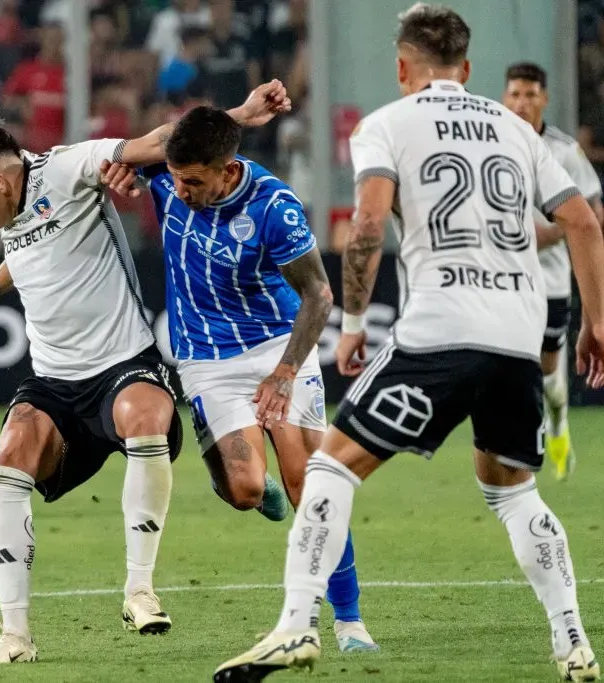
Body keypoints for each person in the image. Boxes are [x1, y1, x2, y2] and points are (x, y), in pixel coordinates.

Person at [212, 4, 604, 681]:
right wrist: (596, 324)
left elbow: (366, 223)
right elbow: (583, 222)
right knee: (513, 490)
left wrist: (356, 324)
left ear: (402, 68)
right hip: (516, 335)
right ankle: (573, 641)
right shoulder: (518, 128)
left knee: (331, 468)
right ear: (469, 69)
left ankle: (294, 626)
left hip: (440, 333)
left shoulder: (385, 125)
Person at [0, 81, 291, 666]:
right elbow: (24, 255)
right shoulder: (9, 208)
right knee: (9, 457)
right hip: (53, 381)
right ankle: (15, 636)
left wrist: (241, 115)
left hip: (124, 365)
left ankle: (139, 591)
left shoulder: (70, 167)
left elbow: (159, 141)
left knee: (147, 417)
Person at [99, 106, 379, 654]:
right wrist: (120, 165)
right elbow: (134, 148)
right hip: (207, 359)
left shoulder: (275, 207)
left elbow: (319, 296)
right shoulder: (170, 175)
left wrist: (284, 372)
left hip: (278, 345)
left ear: (228, 171)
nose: (179, 191)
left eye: (194, 181)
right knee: (246, 489)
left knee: (311, 482)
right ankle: (253, 485)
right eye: (175, 178)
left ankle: (349, 622)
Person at [501, 62, 604, 481]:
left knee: (549, 376)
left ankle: (558, 419)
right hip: (504, 278)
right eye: (515, 95)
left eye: (530, 95)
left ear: (543, 98)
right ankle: (523, 438)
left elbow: (591, 214)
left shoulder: (563, 151)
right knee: (510, 363)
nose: (522, 103)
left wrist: (542, 235)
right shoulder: (494, 143)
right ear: (505, 98)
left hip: (551, 281)